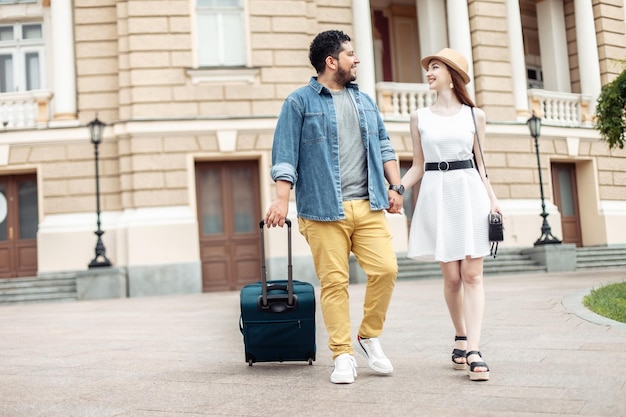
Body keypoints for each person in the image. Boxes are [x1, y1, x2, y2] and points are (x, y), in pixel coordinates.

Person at [264, 30, 403, 384]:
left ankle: (368, 335)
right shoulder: (299, 102)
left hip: (368, 205)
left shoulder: (365, 101)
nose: (356, 60)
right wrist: (281, 200)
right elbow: (284, 156)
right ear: (331, 61)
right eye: (350, 54)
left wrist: (395, 185)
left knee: (386, 270)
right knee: (335, 283)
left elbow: (384, 144)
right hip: (323, 209)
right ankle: (342, 354)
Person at [399, 48, 502, 381]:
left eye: (435, 67)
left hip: (470, 192)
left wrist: (493, 200)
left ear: (452, 73)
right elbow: (417, 165)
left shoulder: (475, 116)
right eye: (428, 67)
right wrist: (398, 189)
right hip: (436, 192)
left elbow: (481, 164)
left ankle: (474, 348)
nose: (429, 72)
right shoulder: (419, 117)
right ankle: (460, 334)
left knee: (472, 275)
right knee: (452, 278)